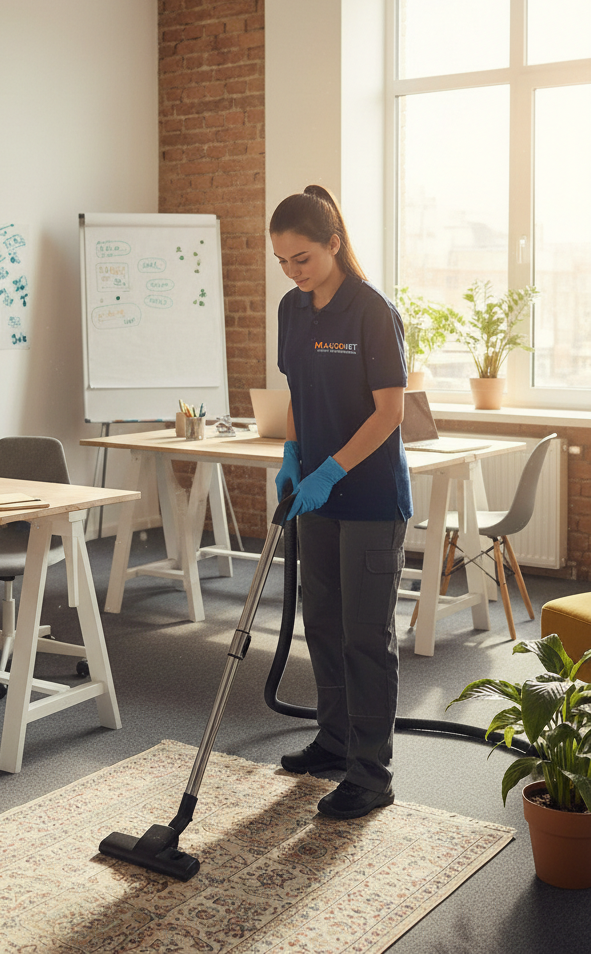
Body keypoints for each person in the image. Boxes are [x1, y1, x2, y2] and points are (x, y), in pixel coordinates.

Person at [270, 184, 412, 820]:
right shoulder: (292, 310)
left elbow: (390, 413)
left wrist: (331, 468)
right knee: (321, 621)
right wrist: (294, 456)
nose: (294, 273)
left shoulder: (372, 311)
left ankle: (370, 771)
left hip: (371, 497)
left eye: (303, 259)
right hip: (315, 493)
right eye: (282, 262)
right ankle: (333, 741)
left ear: (333, 244)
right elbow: (298, 391)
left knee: (364, 634)